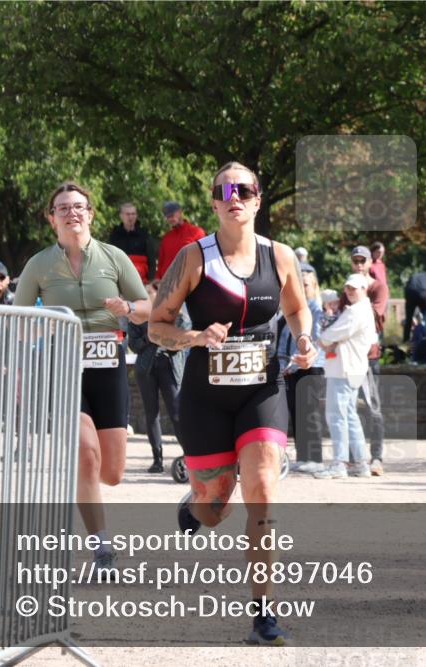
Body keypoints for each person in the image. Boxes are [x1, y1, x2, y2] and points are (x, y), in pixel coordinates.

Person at [147, 161, 316, 646]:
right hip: (206, 398)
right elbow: (157, 325)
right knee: (215, 509)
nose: (234, 196)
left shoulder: (280, 255)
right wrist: (196, 335)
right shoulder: (192, 258)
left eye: (244, 189)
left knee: (262, 490)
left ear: (258, 199)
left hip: (261, 389)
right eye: (224, 190)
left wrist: (303, 337)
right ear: (214, 202)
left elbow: (297, 306)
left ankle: (263, 614)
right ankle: (196, 504)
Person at [14, 181, 151, 575]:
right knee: (85, 452)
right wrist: (42, 328)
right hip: (63, 371)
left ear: (90, 213)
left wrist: (127, 306)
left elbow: (146, 306)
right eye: (63, 208)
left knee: (112, 472)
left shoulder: (114, 257)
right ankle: (102, 548)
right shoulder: (39, 265)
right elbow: (18, 322)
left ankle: (88, 496)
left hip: (108, 367)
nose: (72, 213)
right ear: (51, 217)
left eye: (78, 207)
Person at [313, 273, 376, 480]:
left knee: (337, 416)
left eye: (354, 288)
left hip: (344, 369)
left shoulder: (355, 312)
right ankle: (360, 463)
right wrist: (330, 341)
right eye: (348, 287)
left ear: (364, 289)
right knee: (349, 416)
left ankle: (340, 463)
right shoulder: (360, 309)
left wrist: (328, 340)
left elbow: (327, 336)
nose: (349, 291)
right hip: (351, 368)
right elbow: (329, 338)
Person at [127, 280, 188, 473]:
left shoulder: (177, 314)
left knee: (177, 412)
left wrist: (158, 334)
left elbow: (182, 338)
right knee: (151, 413)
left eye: (152, 294)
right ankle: (157, 459)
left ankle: (190, 456)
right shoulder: (137, 318)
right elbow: (134, 345)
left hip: (169, 366)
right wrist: (152, 334)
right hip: (146, 368)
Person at [278, 269, 326, 474]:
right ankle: (303, 455)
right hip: (292, 369)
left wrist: (293, 363)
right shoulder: (293, 311)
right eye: (300, 285)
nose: (303, 289)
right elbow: (284, 342)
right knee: (297, 413)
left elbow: (313, 340)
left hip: (311, 368)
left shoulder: (316, 311)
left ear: (313, 286)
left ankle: (315, 458)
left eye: (306, 285)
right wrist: (284, 366)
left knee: (310, 414)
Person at [349, 245, 388, 475]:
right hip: (348, 356)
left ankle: (376, 458)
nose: (360, 264)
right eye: (356, 260)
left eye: (363, 260)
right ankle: (354, 458)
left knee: (373, 407)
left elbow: (370, 316)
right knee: (348, 408)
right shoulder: (348, 289)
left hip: (368, 356)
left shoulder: (377, 287)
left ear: (369, 263)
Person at [109, 202, 157, 283]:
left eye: (133, 214)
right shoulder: (115, 236)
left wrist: (150, 281)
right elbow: (110, 261)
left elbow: (152, 262)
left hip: (142, 283)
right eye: (127, 214)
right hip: (120, 282)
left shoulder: (145, 235)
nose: (131, 217)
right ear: (121, 216)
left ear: (136, 215)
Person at [156, 201, 205, 279]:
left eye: (172, 215)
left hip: (188, 281)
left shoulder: (197, 233)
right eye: (168, 217)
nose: (170, 219)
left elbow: (204, 258)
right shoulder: (166, 238)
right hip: (167, 283)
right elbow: (161, 263)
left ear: (180, 212)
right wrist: (158, 279)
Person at [403, 270, 426, 343]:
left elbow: (407, 286)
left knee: (409, 318)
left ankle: (405, 339)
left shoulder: (415, 275)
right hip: (422, 293)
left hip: (409, 292)